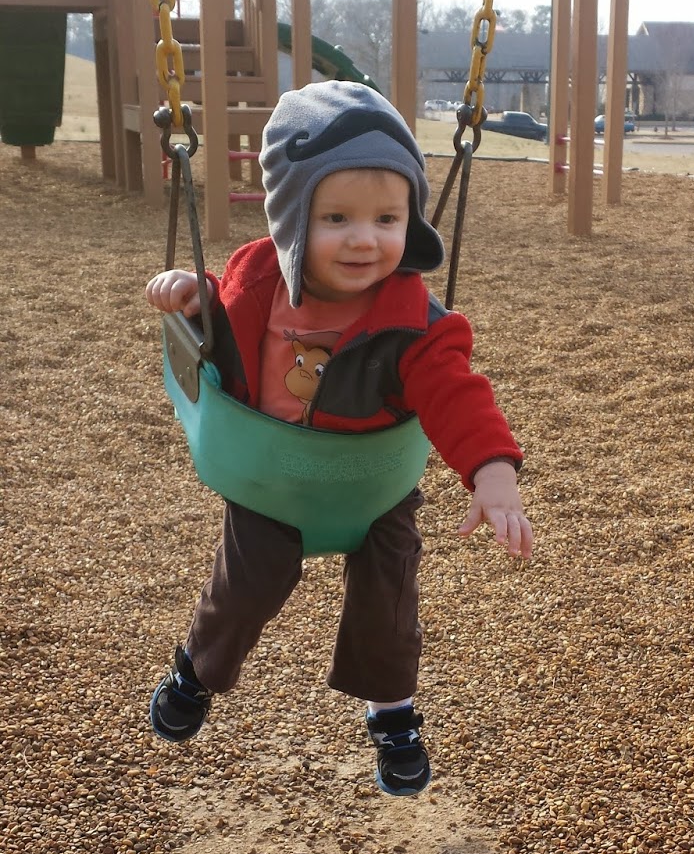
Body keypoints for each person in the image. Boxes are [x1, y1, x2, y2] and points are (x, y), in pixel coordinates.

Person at [146, 80, 532, 797]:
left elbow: (456, 392)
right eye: (336, 218)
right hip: (269, 481)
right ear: (291, 220)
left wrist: (492, 469)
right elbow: (218, 327)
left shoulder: (412, 320)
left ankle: (393, 714)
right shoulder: (257, 281)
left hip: (373, 489)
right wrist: (192, 296)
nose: (365, 239)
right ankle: (196, 670)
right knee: (245, 588)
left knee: (390, 603)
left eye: (388, 218)